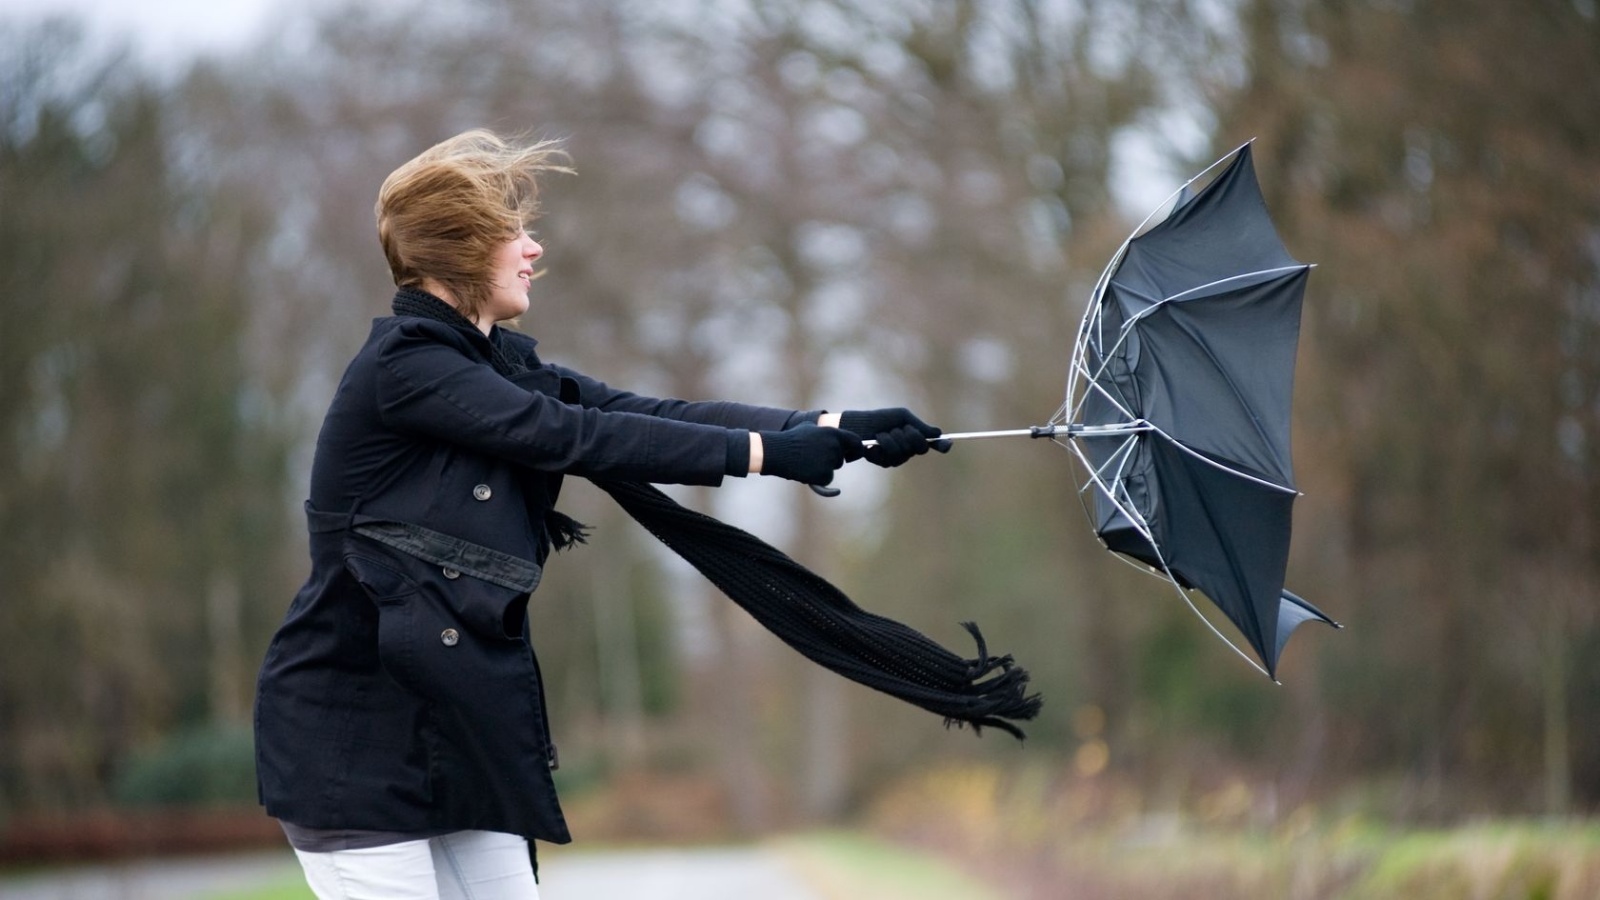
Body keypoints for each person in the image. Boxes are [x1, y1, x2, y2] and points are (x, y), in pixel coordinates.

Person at [252, 128, 948, 899]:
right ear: (461, 248)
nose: (533, 250)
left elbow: (637, 409)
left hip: (456, 732)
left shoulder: (497, 363)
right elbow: (570, 435)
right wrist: (762, 455)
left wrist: (823, 427)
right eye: (512, 233)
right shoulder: (406, 369)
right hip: (353, 742)